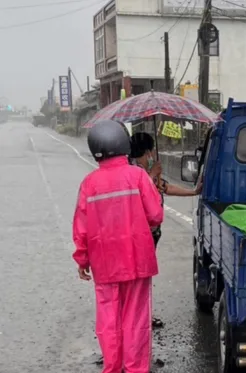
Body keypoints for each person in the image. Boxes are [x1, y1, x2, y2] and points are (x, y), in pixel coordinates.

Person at [72, 119, 164, 373]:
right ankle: (135, 368)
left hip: (104, 264)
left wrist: (82, 260)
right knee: (135, 317)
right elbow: (156, 215)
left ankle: (112, 367)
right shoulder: (137, 176)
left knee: (108, 317)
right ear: (124, 145)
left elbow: (81, 227)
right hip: (137, 260)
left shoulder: (89, 184)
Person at [129, 131, 202, 328]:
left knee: (144, 278)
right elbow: (137, 199)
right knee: (139, 278)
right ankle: (138, 317)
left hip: (151, 233)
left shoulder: (146, 172)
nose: (153, 155)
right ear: (146, 152)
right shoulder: (134, 172)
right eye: (151, 151)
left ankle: (143, 314)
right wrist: (151, 176)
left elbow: (165, 188)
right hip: (140, 235)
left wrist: (193, 192)